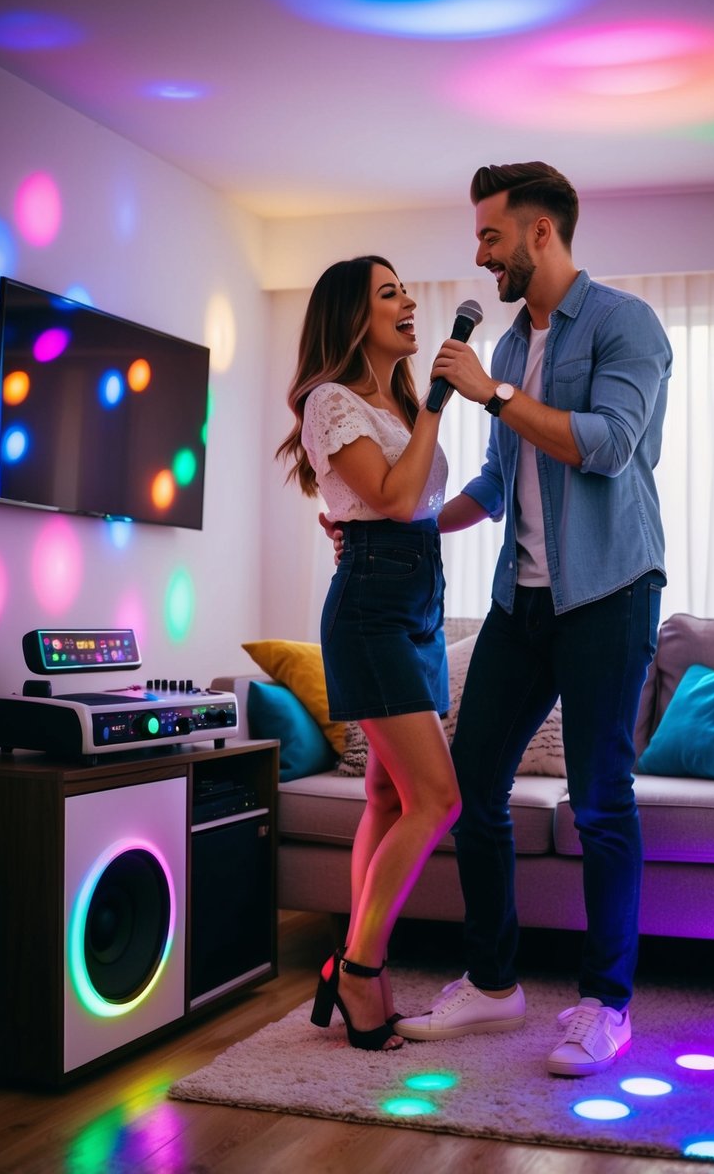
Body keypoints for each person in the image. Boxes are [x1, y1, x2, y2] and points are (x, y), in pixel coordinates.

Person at [393, 162, 672, 1077]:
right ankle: (492, 983)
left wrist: (490, 393)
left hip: (608, 595)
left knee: (600, 801)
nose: (480, 257)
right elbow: (491, 479)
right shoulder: (507, 348)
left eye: (489, 238)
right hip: (521, 601)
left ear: (540, 233)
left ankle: (606, 1005)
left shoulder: (624, 324)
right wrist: (402, 525)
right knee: (470, 788)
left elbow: (606, 443)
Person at [276, 255, 461, 1052]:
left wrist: (499, 497)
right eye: (390, 294)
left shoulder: (395, 402)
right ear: (354, 317)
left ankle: (353, 964)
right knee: (436, 797)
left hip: (416, 599)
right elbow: (388, 497)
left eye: (404, 290)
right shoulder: (331, 401)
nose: (410, 302)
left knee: (388, 797)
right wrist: (439, 406)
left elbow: (414, 508)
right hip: (372, 609)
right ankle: (359, 968)